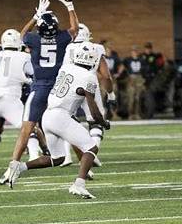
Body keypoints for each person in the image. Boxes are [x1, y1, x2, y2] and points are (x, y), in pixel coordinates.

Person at [7, 42, 110, 198]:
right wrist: (103, 122)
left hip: (47, 115)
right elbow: (93, 110)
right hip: (61, 116)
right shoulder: (89, 76)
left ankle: (19, 167)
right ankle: (79, 185)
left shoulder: (66, 67)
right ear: (93, 60)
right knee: (91, 147)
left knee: (58, 158)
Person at [2, 0, 79, 188]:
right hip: (58, 91)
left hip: (39, 89)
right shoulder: (62, 39)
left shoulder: (34, 40)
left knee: (26, 129)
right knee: (68, 124)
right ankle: (84, 159)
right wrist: (69, 5)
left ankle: (13, 164)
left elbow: (22, 35)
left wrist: (35, 16)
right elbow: (75, 29)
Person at [60, 23, 115, 170]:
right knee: (96, 122)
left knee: (65, 119)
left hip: (68, 85)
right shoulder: (96, 48)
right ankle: (92, 152)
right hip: (90, 83)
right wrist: (111, 93)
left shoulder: (66, 47)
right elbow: (106, 76)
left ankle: (66, 155)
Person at [123, 45, 146, 120]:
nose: (134, 53)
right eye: (133, 51)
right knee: (131, 97)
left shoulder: (141, 60)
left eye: (135, 51)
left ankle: (137, 113)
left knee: (138, 97)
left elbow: (144, 69)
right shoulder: (127, 60)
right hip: (131, 78)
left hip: (139, 78)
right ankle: (130, 114)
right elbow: (122, 67)